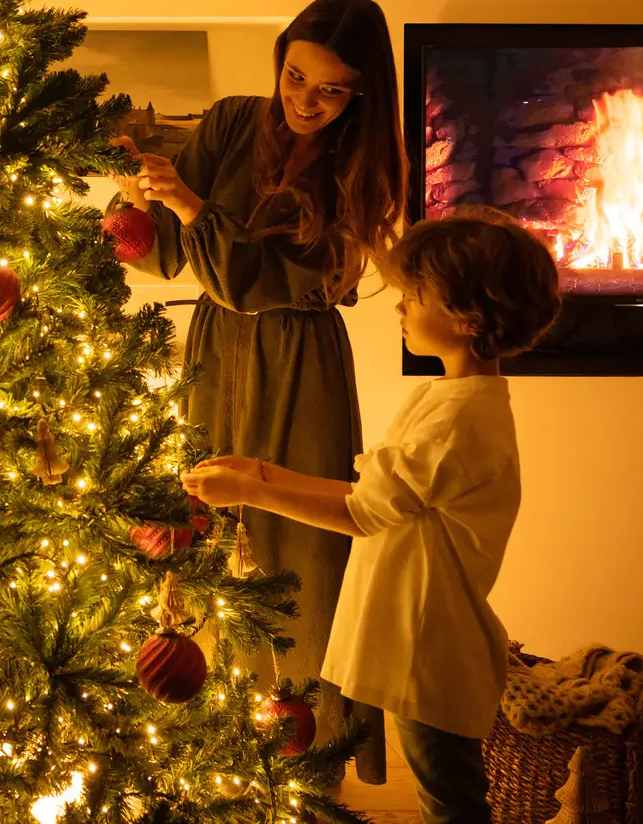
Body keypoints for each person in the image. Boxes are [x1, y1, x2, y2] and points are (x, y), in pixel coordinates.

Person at [110, 0, 406, 779]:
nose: (306, 100)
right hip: (215, 346)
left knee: (301, 550)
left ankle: (311, 755)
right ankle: (204, 734)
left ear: (362, 94)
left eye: (331, 89)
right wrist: (137, 202)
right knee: (197, 527)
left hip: (300, 361)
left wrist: (195, 206)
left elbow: (267, 282)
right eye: (296, 77)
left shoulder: (364, 167)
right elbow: (168, 256)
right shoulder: (235, 120)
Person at [184, 208, 561, 824]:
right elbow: (377, 497)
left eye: (415, 295)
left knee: (449, 794)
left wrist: (252, 494)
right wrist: (262, 471)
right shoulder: (448, 397)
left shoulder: (458, 422)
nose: (400, 307)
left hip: (429, 641)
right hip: (417, 632)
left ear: (467, 319)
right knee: (441, 783)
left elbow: (361, 516)